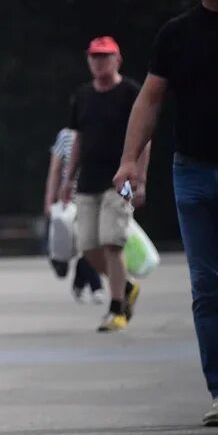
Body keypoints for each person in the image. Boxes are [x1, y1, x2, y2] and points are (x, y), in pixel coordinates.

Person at [114, 0, 218, 426]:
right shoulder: (177, 34)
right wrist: (131, 160)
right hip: (194, 174)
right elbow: (150, 100)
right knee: (207, 286)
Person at [60, 37, 149, 332]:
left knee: (113, 242)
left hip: (120, 180)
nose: (99, 62)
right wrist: (68, 179)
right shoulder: (83, 96)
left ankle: (116, 310)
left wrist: (140, 178)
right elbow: (77, 141)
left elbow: (144, 138)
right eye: (95, 57)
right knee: (87, 246)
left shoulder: (130, 92)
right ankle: (125, 287)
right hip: (87, 182)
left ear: (117, 60)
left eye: (105, 57)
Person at [44, 127, 105, 303]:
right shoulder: (65, 136)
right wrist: (49, 201)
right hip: (68, 200)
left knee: (91, 243)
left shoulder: (99, 131)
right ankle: (85, 283)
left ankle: (92, 285)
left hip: (94, 195)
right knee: (84, 245)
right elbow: (55, 170)